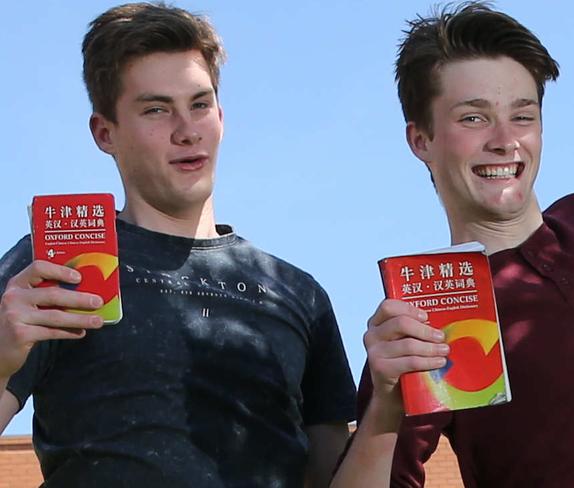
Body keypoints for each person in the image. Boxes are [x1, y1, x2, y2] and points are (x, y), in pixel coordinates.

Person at [0, 3, 356, 487]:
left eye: (200, 104)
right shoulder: (56, 264)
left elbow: (334, 476)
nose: (187, 130)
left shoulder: (299, 293)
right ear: (105, 132)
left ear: (221, 115)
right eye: (156, 109)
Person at [337, 2, 574, 487]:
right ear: (421, 140)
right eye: (474, 119)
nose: (506, 141)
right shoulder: (427, 317)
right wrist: (384, 410)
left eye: (522, 116)